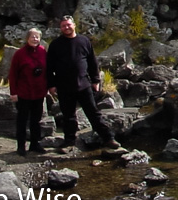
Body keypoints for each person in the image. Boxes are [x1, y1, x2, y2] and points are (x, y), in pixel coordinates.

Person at [46, 15, 120, 150]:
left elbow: (92, 62)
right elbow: (49, 67)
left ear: (74, 25)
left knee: (93, 113)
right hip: (64, 86)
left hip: (84, 84)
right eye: (63, 26)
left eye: (68, 24)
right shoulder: (55, 44)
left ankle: (108, 138)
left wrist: (96, 80)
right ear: (60, 28)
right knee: (68, 116)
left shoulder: (84, 41)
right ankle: (69, 142)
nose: (66, 27)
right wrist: (51, 85)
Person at [8, 27, 48, 156]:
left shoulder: (43, 51)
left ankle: (35, 144)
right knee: (22, 120)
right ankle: (21, 146)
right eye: (33, 36)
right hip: (24, 93)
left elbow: (47, 71)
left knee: (36, 120)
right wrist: (13, 92)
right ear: (27, 38)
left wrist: (48, 87)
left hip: (39, 92)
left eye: (37, 37)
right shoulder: (19, 54)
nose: (35, 39)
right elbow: (13, 74)